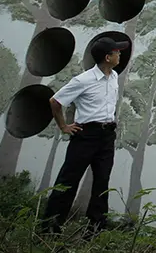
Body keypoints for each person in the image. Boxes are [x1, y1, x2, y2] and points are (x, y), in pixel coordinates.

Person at [42, 36, 129, 233]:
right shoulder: (83, 80)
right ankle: (50, 227)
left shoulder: (114, 76)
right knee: (69, 180)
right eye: (117, 52)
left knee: (102, 181)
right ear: (107, 57)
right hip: (86, 135)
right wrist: (64, 126)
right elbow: (55, 101)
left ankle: (96, 228)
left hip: (107, 136)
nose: (120, 54)